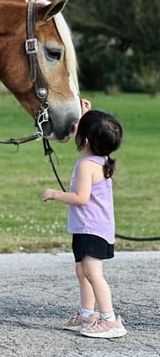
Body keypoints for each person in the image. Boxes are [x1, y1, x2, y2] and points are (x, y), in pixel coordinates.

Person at [42, 100, 127, 338]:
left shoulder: (86, 166)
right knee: (82, 270)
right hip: (88, 227)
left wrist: (54, 194)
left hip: (93, 228)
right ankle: (87, 314)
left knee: (92, 272)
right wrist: (86, 114)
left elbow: (81, 198)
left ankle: (110, 320)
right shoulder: (100, 157)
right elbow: (92, 132)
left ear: (86, 141)